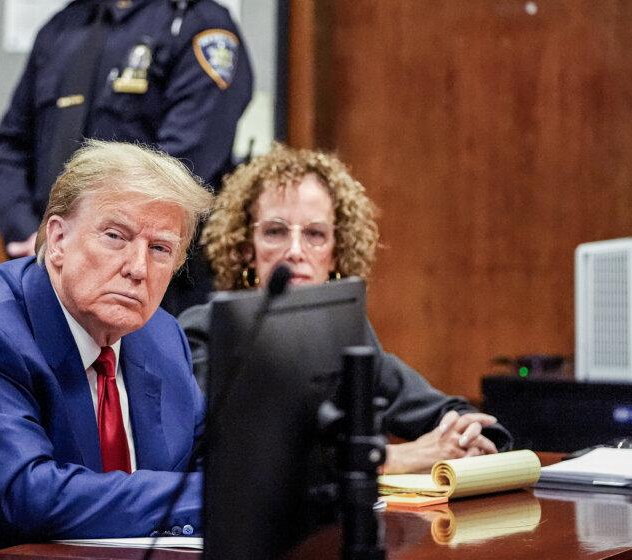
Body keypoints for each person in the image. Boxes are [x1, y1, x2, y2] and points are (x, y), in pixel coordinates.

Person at [0, 140, 213, 553]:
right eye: (115, 236)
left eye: (160, 249)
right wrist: (209, 497)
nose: (138, 268)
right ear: (58, 238)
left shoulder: (161, 335)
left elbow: (209, 458)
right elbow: (29, 498)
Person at [0, 0, 252, 315]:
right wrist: (32, 237)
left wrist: (92, 246)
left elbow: (177, 174)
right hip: (47, 284)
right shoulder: (62, 30)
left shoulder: (200, 31)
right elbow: (8, 148)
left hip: (154, 302)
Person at [180, 144, 513, 473]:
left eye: (315, 234)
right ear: (246, 249)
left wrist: (471, 436)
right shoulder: (204, 332)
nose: (295, 251)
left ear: (336, 253)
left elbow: (438, 408)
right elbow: (241, 458)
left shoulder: (346, 330)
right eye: (275, 232)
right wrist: (390, 459)